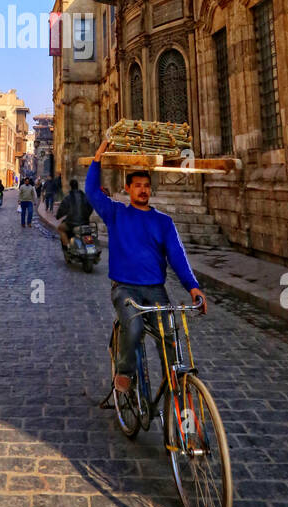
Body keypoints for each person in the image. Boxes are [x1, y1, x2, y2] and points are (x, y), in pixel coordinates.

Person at [86, 137, 205, 391]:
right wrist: (97, 160)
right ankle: (126, 371)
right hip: (125, 290)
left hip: (155, 290)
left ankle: (173, 384)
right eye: (138, 185)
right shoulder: (116, 213)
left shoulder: (163, 222)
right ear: (128, 189)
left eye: (147, 186)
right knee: (135, 325)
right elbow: (93, 193)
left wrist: (193, 287)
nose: (143, 190)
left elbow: (177, 256)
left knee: (169, 335)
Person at [55, 178, 93, 252]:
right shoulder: (84, 197)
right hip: (85, 222)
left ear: (70, 186)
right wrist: (86, 215)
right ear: (77, 186)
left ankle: (68, 246)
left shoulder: (68, 198)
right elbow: (90, 208)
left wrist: (58, 216)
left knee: (60, 228)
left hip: (72, 223)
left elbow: (62, 210)